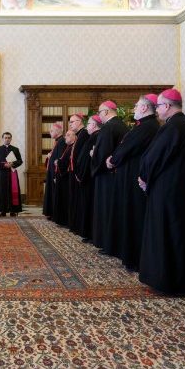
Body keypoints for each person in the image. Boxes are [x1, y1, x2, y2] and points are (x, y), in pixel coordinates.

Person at [138, 89, 185, 295]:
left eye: (158, 106)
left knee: (167, 235)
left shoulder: (173, 127)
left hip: (167, 192)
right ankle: (182, 280)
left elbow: (154, 157)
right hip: (179, 190)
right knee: (179, 235)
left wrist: (144, 177)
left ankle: (167, 281)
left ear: (166, 106)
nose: (156, 110)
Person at [106, 94, 160, 271]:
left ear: (144, 108)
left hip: (134, 179)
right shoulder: (144, 126)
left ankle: (134, 258)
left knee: (134, 216)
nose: (134, 109)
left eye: (137, 106)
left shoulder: (147, 127)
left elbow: (126, 148)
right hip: (129, 176)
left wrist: (112, 160)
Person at [90, 101, 128, 252]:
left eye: (99, 112)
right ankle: (115, 243)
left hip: (106, 176)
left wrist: (94, 157)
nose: (99, 115)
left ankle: (107, 244)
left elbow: (102, 153)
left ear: (106, 112)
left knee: (106, 210)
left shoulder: (108, 127)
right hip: (118, 174)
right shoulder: (123, 125)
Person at [74, 115, 102, 242]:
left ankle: (90, 234)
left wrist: (81, 174)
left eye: (89, 124)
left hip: (89, 178)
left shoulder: (96, 137)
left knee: (90, 206)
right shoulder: (93, 137)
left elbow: (87, 160)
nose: (87, 127)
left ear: (94, 125)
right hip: (86, 177)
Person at [67, 113, 89, 232]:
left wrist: (78, 172)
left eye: (72, 121)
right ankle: (74, 225)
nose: (70, 124)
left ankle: (78, 226)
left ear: (80, 122)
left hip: (79, 173)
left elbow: (82, 156)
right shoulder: (79, 134)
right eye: (70, 122)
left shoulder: (84, 134)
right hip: (74, 172)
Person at [0, 132, 23, 216]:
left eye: (9, 138)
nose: (7, 139)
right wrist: (4, 165)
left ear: (11, 139)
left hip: (12, 173)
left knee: (12, 191)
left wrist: (13, 164)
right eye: (5, 138)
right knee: (2, 191)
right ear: (2, 139)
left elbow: (20, 161)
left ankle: (13, 210)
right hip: (2, 174)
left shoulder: (15, 149)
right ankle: (3, 210)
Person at [52, 130, 75, 226]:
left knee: (65, 199)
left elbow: (68, 163)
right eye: (66, 135)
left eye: (68, 135)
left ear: (74, 137)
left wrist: (58, 162)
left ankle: (65, 221)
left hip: (66, 178)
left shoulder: (73, 147)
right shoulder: (68, 147)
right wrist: (59, 161)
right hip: (62, 177)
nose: (66, 137)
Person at [43, 122, 64, 219]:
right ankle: (51, 213)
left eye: (51, 131)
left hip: (55, 173)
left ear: (58, 131)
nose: (49, 132)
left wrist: (56, 175)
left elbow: (59, 159)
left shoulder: (61, 142)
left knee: (54, 193)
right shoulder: (57, 141)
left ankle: (54, 214)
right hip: (52, 172)